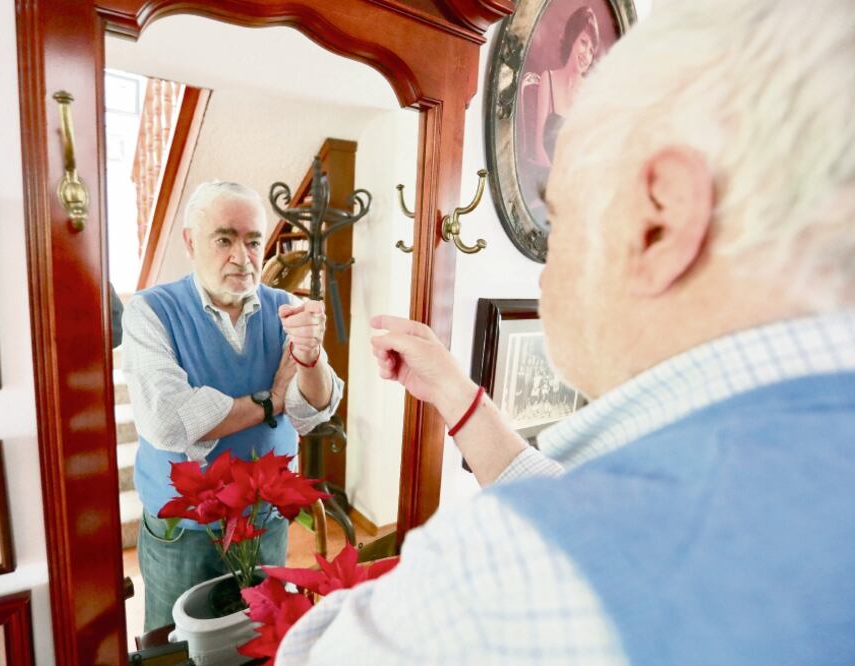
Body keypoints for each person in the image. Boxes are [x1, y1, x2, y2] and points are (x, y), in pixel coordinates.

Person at [276, 0, 855, 663]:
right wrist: (457, 399)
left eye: (559, 218)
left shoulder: (495, 581)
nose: (543, 273)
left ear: (657, 220)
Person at [123, 181, 342, 632]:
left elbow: (312, 410)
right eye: (224, 239)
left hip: (265, 522)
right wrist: (269, 402)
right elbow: (170, 421)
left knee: (257, 636)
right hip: (184, 532)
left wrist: (311, 357)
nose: (242, 258)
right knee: (178, 645)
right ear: (190, 241)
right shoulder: (151, 312)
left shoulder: (286, 308)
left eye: (253, 241)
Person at [532, 6, 600, 167]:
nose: (586, 55)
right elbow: (538, 148)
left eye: (591, 51)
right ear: (572, 38)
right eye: (583, 42)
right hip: (546, 178)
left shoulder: (591, 93)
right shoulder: (547, 79)